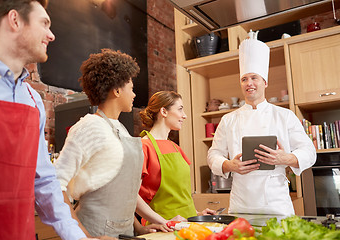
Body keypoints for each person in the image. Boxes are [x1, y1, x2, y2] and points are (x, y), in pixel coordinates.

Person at [0, 0, 102, 239]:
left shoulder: (33, 100)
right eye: (44, 23)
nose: (52, 35)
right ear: (15, 20)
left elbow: (44, 180)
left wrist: (78, 237)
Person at [55, 49, 170, 238]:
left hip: (125, 232)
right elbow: (56, 188)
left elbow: (121, 193)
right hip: (94, 231)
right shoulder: (88, 127)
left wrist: (138, 228)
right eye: (131, 88)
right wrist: (87, 238)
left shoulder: (120, 129)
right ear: (116, 90)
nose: (134, 95)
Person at [207, 31, 316, 216]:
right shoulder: (228, 120)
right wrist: (228, 165)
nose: (249, 83)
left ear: (264, 82)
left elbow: (309, 152)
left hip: (277, 205)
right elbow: (213, 155)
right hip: (241, 206)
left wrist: (285, 158)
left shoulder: (284, 116)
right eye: (244, 79)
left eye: (254, 78)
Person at [138, 91, 216, 223]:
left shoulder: (175, 147)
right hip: (162, 228)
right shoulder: (143, 147)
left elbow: (179, 196)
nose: (184, 116)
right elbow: (132, 197)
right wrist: (164, 221)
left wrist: (197, 213)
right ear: (164, 111)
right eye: (180, 109)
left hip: (187, 224)